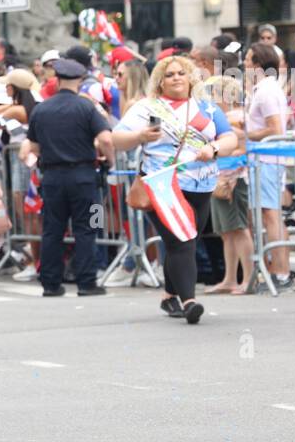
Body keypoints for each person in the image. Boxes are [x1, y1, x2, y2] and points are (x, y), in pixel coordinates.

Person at [111, 55, 239, 324]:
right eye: (169, 75)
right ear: (160, 80)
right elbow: (117, 139)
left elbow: (230, 138)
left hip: (202, 183)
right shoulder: (147, 107)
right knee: (182, 240)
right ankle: (189, 301)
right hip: (162, 185)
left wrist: (213, 148)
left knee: (184, 240)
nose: (176, 78)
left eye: (182, 73)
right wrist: (139, 136)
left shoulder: (207, 108)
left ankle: (169, 295)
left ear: (191, 77)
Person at [26, 58, 114, 297]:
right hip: (85, 177)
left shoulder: (41, 109)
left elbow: (33, 147)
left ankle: (51, 283)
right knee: (89, 227)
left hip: (52, 177)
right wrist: (111, 161)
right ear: (80, 80)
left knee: (52, 229)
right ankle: (87, 281)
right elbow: (106, 139)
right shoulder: (87, 107)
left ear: (57, 79)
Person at [244, 42, 293, 290]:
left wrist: (247, 134)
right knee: (267, 215)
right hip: (263, 160)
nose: (243, 64)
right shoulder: (262, 89)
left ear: (258, 64)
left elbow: (275, 128)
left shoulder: (267, 91)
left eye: (247, 60)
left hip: (268, 160)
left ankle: (281, 272)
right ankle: (278, 269)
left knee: (271, 215)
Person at [205, 76, 252, 294]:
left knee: (239, 228)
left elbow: (243, 146)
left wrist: (219, 151)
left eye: (212, 94)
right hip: (220, 177)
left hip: (234, 179)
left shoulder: (236, 117)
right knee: (226, 231)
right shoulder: (221, 118)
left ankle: (248, 278)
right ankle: (230, 278)